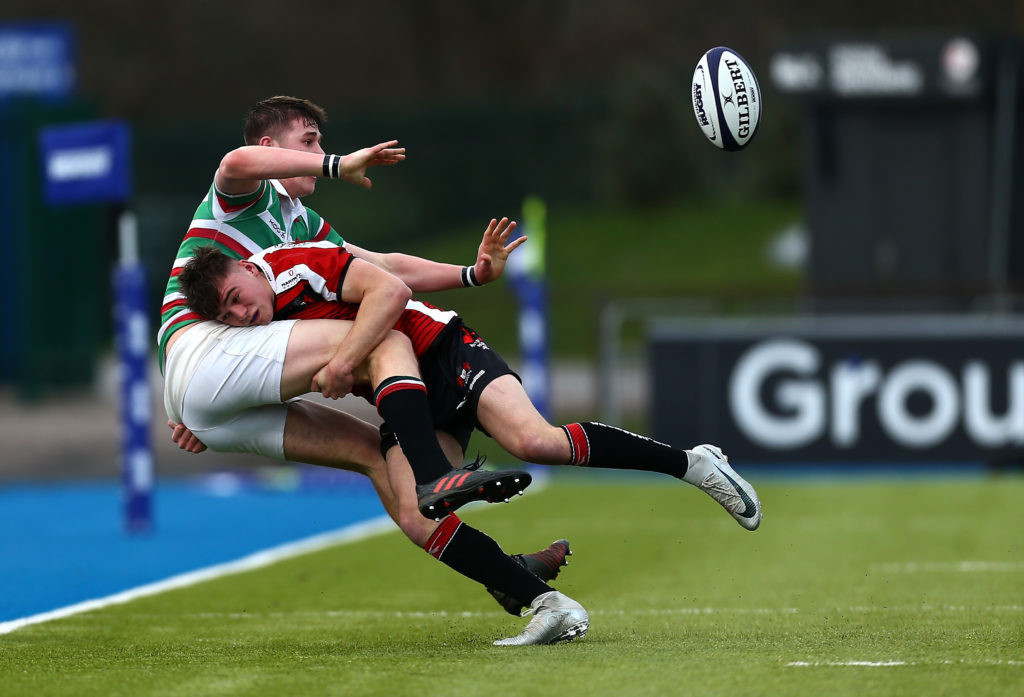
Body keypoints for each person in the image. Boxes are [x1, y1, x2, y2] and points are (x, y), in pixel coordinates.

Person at [160, 95, 587, 646]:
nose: (319, 150)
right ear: (270, 148)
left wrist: (471, 274)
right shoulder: (244, 196)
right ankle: (439, 474)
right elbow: (234, 164)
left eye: (321, 144)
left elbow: (384, 265)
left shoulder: (304, 225)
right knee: (383, 330)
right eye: (308, 141)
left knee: (379, 460)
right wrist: (338, 165)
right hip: (203, 361)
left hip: (211, 391)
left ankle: (522, 587)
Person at [178, 239, 764, 533]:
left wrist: (470, 277)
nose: (240, 317)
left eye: (236, 299)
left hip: (442, 350)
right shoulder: (264, 320)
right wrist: (204, 420)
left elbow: (390, 283)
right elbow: (254, 375)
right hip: (402, 394)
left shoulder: (293, 262)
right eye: (226, 317)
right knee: (418, 509)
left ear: (250, 270)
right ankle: (534, 594)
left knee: (535, 442)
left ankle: (692, 462)